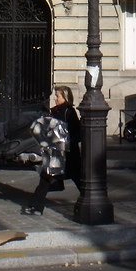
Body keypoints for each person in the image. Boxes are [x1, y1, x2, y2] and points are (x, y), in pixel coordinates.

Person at [23, 86, 81, 215]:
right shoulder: (54, 111)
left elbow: (77, 133)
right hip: (56, 153)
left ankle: (88, 201)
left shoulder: (69, 112)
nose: (55, 98)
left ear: (65, 97)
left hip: (68, 154)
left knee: (78, 179)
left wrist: (64, 142)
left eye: (57, 96)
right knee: (45, 178)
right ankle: (36, 207)